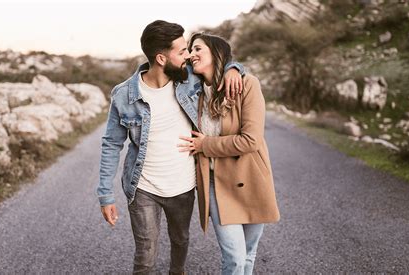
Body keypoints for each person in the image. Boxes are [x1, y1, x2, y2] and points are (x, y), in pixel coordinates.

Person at [96, 21, 244, 275]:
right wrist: (105, 195)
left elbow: (219, 66)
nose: (188, 56)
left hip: (183, 185)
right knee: (145, 254)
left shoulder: (189, 80)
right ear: (162, 58)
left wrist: (233, 68)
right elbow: (111, 144)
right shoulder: (123, 95)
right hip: (143, 187)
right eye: (182, 51)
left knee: (180, 241)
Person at [178, 33, 280, 275]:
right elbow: (160, 67)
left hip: (251, 178)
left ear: (216, 54)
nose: (192, 54)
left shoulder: (247, 84)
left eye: (198, 49)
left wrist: (206, 145)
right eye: (190, 50)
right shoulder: (193, 92)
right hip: (215, 183)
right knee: (234, 257)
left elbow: (251, 140)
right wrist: (233, 66)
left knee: (248, 254)